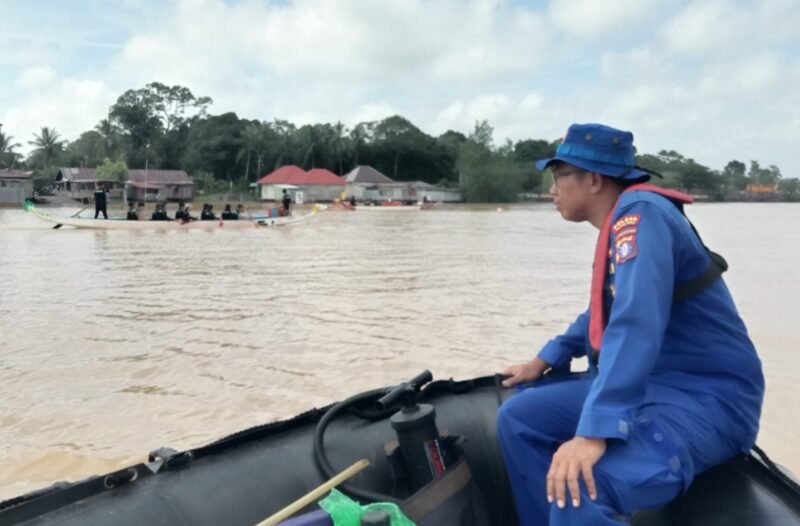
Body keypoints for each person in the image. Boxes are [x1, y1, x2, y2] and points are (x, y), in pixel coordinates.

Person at [496, 123, 764, 526]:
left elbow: (637, 323)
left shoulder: (641, 218)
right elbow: (606, 313)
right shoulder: (627, 221)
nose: (552, 189)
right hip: (653, 384)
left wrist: (593, 433)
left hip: (705, 398)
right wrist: (546, 357)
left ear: (592, 180)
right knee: (518, 418)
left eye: (558, 176)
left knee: (579, 492)